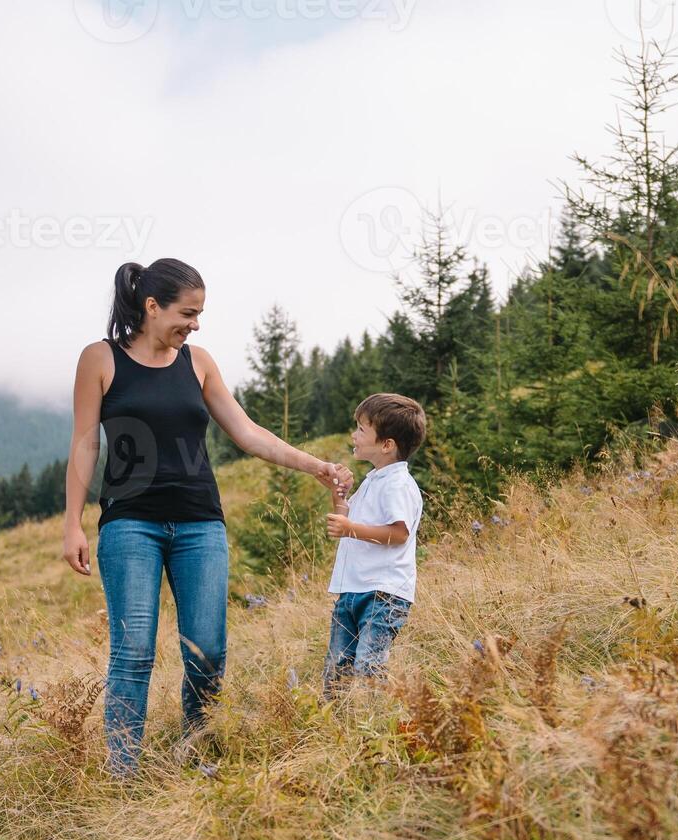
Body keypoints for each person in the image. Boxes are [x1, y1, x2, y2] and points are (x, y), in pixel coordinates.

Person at [61, 258, 352, 777]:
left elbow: (247, 432)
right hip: (131, 525)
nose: (194, 324)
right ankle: (123, 770)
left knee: (208, 649)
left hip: (200, 524)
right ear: (152, 307)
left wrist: (316, 467)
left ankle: (197, 752)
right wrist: (71, 522)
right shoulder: (100, 359)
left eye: (199, 315)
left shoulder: (198, 363)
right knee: (133, 651)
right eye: (187, 313)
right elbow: (85, 443)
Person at [322, 393, 426, 698]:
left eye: (361, 429)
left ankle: (372, 730)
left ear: (387, 445)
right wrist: (339, 496)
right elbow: (346, 521)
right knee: (336, 671)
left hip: (383, 593)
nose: (354, 435)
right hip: (353, 589)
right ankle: (336, 731)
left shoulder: (398, 484)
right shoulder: (373, 480)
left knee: (368, 669)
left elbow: (399, 533)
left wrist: (351, 528)